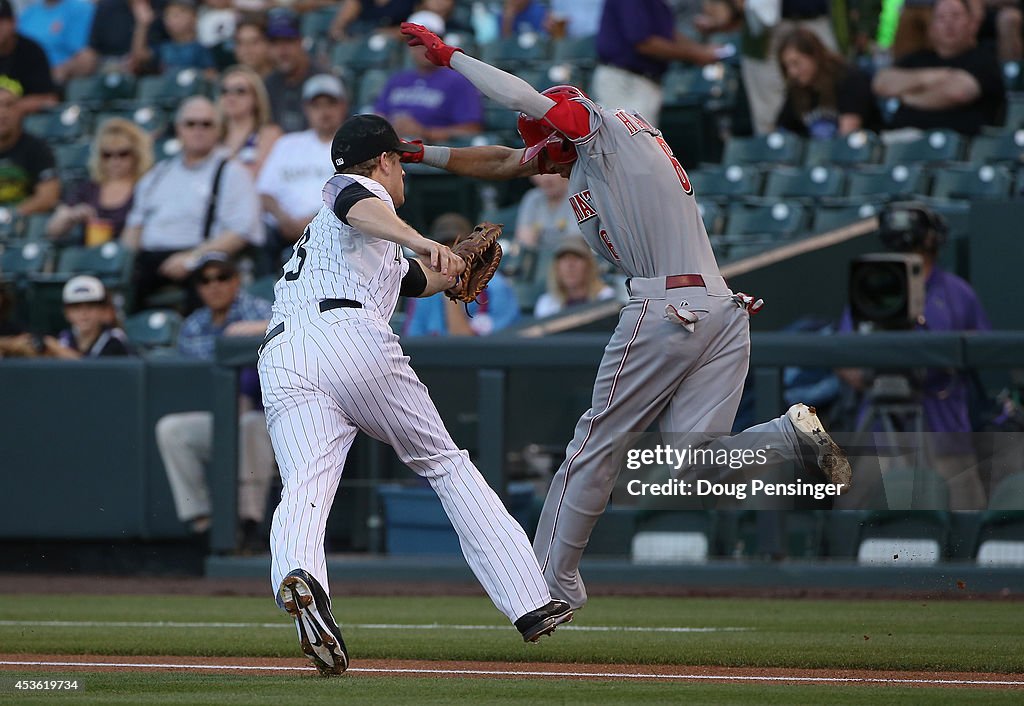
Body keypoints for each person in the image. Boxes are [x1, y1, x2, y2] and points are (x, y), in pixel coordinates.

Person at [398, 22, 852, 611]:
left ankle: (547, 584)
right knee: (695, 468)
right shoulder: (603, 151)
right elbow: (506, 162)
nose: (544, 158)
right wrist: (421, 154)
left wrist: (450, 56)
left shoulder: (606, 131)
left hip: (667, 308)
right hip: (720, 308)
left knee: (594, 444)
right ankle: (789, 440)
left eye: (548, 143)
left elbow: (521, 101)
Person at [257, 113, 573, 676]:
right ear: (385, 161)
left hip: (283, 354)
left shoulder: (342, 238)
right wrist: (426, 240)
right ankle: (530, 600)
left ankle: (298, 576)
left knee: (305, 484)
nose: (402, 173)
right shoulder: (351, 193)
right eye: (399, 161)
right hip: (348, 337)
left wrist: (453, 271)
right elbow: (358, 201)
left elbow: (415, 280)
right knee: (445, 464)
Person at [836, 202, 990, 510]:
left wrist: (941, 356)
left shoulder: (956, 292)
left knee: (961, 521)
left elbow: (984, 350)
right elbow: (842, 357)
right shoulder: (872, 284)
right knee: (855, 518)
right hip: (880, 426)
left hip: (943, 427)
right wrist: (876, 376)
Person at [156, 252, 275, 552]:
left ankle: (248, 524)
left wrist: (255, 329)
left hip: (270, 419)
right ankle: (204, 523)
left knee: (250, 425)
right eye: (205, 280)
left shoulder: (256, 309)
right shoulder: (194, 325)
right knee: (172, 430)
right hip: (220, 415)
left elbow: (296, 321)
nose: (214, 285)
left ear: (236, 280)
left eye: (222, 277)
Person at [121, 96, 263, 311]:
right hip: (151, 259)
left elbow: (240, 231)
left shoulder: (232, 172)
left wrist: (192, 258)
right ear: (179, 129)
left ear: (218, 129)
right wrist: (123, 260)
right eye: (191, 124)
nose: (198, 130)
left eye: (206, 124)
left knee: (207, 277)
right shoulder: (158, 173)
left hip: (202, 256)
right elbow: (135, 226)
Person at [873, 0, 1005, 135]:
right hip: (900, 141)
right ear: (931, 26)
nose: (949, 24)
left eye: (956, 16)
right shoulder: (916, 59)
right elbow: (882, 83)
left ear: (972, 23)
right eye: (941, 18)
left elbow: (960, 92)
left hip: (961, 146)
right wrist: (937, 75)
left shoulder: (984, 58)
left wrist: (906, 96)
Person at [257, 73, 348, 261]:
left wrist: (310, 224)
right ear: (305, 109)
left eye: (330, 104)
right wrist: (283, 218)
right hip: (281, 232)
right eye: (316, 105)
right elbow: (265, 193)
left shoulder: (353, 146)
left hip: (334, 234)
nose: (324, 112)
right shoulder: (287, 144)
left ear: (343, 106)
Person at [593, 0, 723, 127]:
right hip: (626, 81)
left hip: (643, 81)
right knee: (630, 143)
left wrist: (701, 50)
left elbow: (666, 33)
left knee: (642, 143)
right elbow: (644, 42)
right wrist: (697, 54)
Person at [403, 212, 520, 336]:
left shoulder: (496, 286)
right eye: (443, 247)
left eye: (458, 246)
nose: (450, 253)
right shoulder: (423, 288)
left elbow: (506, 344)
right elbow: (414, 341)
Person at [373, 10, 482, 142]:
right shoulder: (397, 80)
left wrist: (425, 132)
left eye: (429, 41)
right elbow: (378, 116)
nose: (422, 47)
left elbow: (471, 130)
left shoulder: (458, 81)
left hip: (434, 153)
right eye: (414, 41)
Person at [46, 117, 153, 244]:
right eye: (107, 155)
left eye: (123, 154)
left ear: (136, 155)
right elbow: (53, 230)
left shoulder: (147, 188)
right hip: (89, 256)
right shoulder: (87, 188)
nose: (115, 161)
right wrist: (72, 215)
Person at [739, 0, 839, 135]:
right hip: (766, 25)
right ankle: (774, 150)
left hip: (818, 16)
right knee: (768, 114)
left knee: (829, 90)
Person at [775, 28, 883, 138]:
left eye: (796, 63)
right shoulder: (797, 88)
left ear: (814, 56)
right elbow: (783, 132)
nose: (792, 72)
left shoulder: (849, 79)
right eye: (786, 66)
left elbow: (848, 133)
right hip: (815, 152)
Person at [0, 77, 59, 215]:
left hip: (23, 226)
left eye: (9, 105)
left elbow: (48, 196)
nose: (2, 112)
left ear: (20, 110)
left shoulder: (37, 148)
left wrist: (11, 215)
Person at [65, 0, 168, 78]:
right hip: (107, 65)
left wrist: (142, 25)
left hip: (146, 71)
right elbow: (92, 47)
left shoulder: (161, 7)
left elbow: (143, 55)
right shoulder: (107, 7)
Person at [262, 8, 326, 133]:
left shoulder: (323, 80)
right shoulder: (269, 83)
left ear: (301, 41)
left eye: (288, 41)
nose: (282, 51)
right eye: (275, 43)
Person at [42, 275, 134, 358]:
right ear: (67, 313)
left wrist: (57, 349)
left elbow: (92, 371)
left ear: (103, 310)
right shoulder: (65, 338)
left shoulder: (114, 339)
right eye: (76, 307)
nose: (84, 313)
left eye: (91, 306)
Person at [217, 65, 282, 178]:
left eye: (240, 91)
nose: (231, 97)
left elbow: (263, 175)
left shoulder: (269, 134)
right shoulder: (213, 136)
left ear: (256, 98)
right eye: (225, 91)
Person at [533, 236, 617, 318]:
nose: (570, 265)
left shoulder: (606, 297)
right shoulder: (546, 304)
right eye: (564, 259)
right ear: (556, 267)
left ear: (589, 265)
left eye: (576, 258)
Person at [16, 0, 95, 85]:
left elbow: (86, 56)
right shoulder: (30, 12)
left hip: (58, 82)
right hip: (24, 78)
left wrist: (56, 73)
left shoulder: (80, 9)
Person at [0, 0, 57, 113]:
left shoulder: (31, 51)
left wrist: (11, 105)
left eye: (1, 22)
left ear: (14, 22)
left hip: (25, 123)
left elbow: (49, 99)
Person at [514, 172, 581, 251]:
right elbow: (524, 238)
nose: (547, 179)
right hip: (538, 258)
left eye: (553, 172)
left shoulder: (577, 196)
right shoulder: (532, 198)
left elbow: (575, 239)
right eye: (541, 173)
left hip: (570, 256)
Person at [149, 0, 214, 73]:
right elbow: (139, 60)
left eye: (176, 15)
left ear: (194, 17)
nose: (171, 20)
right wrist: (143, 25)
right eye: (167, 15)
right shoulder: (164, 47)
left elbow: (211, 72)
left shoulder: (201, 47)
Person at [329, 0, 415, 41]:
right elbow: (337, 27)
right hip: (362, 43)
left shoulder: (410, 2)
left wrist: (388, 33)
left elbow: (420, 26)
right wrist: (345, 39)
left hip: (396, 48)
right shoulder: (357, 2)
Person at [232, 14, 272, 78]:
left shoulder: (287, 82)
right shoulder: (227, 85)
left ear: (268, 44)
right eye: (241, 43)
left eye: (254, 42)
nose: (247, 49)